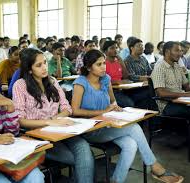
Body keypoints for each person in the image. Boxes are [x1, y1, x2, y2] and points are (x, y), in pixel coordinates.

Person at [71, 49, 184, 183]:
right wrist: (103, 112)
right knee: (134, 128)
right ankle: (155, 167)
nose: (103, 67)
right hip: (90, 129)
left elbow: (112, 101)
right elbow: (75, 111)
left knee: (130, 144)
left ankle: (116, 180)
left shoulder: (106, 79)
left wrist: (116, 108)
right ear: (89, 67)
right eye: (99, 64)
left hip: (108, 124)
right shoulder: (81, 82)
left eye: (104, 63)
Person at [12, 48, 95, 183]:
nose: (45, 67)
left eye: (45, 62)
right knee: (82, 159)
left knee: (84, 147)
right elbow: (20, 120)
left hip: (61, 130)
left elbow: (66, 107)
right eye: (39, 65)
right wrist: (50, 122)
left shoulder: (52, 81)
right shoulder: (20, 85)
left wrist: (57, 118)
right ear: (29, 69)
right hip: (38, 136)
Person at [151, 41, 190, 119]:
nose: (180, 54)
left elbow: (187, 87)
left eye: (180, 51)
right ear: (167, 52)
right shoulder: (159, 68)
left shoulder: (177, 67)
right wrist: (185, 94)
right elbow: (161, 93)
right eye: (177, 50)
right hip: (167, 105)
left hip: (181, 101)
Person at [103, 41, 134, 107]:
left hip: (122, 89)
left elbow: (125, 76)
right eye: (112, 48)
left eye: (116, 48)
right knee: (129, 104)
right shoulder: (103, 63)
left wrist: (122, 63)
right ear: (105, 51)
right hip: (110, 91)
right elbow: (103, 80)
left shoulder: (118, 61)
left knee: (142, 97)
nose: (115, 50)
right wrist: (119, 82)